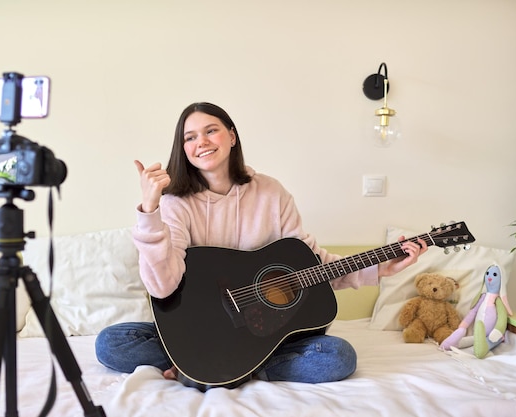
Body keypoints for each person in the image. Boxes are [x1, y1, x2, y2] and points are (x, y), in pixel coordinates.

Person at [95, 102, 427, 384]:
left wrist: (382, 266)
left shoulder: (271, 192)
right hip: (199, 332)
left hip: (262, 336)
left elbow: (307, 263)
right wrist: (150, 209)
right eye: (190, 137)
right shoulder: (176, 203)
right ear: (183, 148)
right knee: (111, 343)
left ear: (231, 136)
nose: (202, 142)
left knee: (337, 357)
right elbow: (163, 286)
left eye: (211, 131)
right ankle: (210, 366)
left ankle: (229, 370)